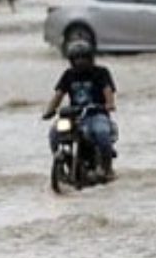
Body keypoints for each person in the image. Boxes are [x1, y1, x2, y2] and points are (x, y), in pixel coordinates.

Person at [42, 40, 118, 180]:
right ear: (71, 60)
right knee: (54, 133)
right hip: (74, 117)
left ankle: (106, 169)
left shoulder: (101, 72)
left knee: (102, 134)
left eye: (83, 57)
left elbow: (108, 90)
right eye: (77, 58)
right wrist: (50, 110)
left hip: (96, 114)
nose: (80, 61)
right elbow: (59, 94)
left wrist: (109, 104)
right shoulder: (68, 75)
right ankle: (61, 168)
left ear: (90, 58)